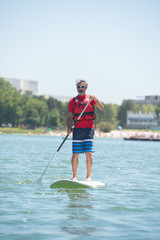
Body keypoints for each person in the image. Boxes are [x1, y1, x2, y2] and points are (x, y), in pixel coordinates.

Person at [67, 79, 104, 182]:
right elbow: (69, 117)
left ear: (86, 87)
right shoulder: (72, 101)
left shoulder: (91, 99)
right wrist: (68, 128)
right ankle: (74, 176)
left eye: (82, 87)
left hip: (89, 129)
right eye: (78, 87)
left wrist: (96, 99)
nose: (80, 88)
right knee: (75, 154)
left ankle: (88, 177)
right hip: (77, 130)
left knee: (88, 153)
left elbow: (101, 108)